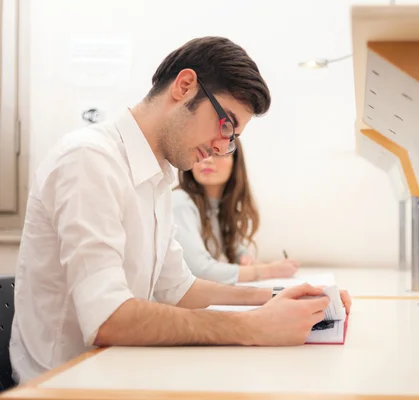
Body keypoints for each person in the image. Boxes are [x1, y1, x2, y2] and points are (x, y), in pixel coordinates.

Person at [9, 36, 351, 384]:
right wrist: (252, 326)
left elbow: (180, 289)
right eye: (225, 125)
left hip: (115, 374)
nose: (222, 147)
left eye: (232, 138)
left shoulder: (157, 176)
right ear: (185, 86)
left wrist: (280, 298)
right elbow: (108, 318)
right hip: (63, 385)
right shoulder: (89, 160)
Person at [172, 138, 299, 284]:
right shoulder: (180, 202)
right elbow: (200, 271)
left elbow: (236, 250)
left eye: (218, 153)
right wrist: (268, 271)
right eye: (202, 152)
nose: (207, 160)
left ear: (235, 163)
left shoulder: (220, 208)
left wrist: (247, 259)